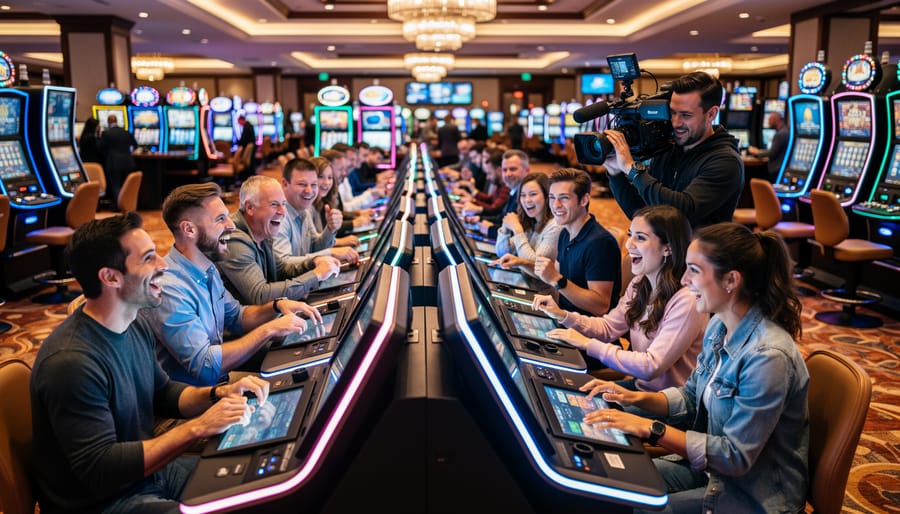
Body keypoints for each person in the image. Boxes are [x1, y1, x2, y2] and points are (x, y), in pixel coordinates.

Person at [30, 212, 271, 513]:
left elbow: (163, 392)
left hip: (144, 477)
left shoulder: (134, 321)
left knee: (249, 483)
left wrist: (218, 393)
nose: (163, 265)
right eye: (148, 259)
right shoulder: (71, 362)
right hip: (101, 502)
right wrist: (199, 427)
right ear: (111, 277)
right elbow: (99, 468)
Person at [581, 223, 808, 514]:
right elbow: (690, 397)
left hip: (753, 495)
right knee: (612, 480)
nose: (684, 279)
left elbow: (735, 456)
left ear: (731, 280)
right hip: (711, 473)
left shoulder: (768, 356)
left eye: (694, 270)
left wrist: (651, 428)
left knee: (639, 509)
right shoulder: (718, 325)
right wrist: (629, 398)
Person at [142, 182, 323, 387]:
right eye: (220, 219)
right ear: (189, 229)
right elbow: (206, 367)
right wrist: (269, 330)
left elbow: (238, 316)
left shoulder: (208, 268)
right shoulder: (169, 289)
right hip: (192, 402)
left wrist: (277, 306)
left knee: (307, 366)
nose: (232, 225)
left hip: (219, 385)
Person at [532, 205, 705, 393]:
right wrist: (563, 315)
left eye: (640, 238)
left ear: (668, 248)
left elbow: (651, 366)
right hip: (640, 387)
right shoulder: (640, 283)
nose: (629, 244)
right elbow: (609, 327)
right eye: (630, 235)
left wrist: (588, 344)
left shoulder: (687, 300)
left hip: (666, 402)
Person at [603, 71, 744, 228]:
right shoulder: (668, 147)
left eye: (685, 115)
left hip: (700, 252)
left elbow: (682, 212)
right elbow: (642, 213)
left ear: (711, 114)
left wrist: (632, 169)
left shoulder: (725, 160)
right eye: (672, 113)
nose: (676, 123)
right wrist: (615, 174)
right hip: (664, 250)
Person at [217, 175, 341, 305]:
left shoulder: (263, 230)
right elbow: (260, 295)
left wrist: (313, 262)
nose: (283, 212)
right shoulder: (233, 239)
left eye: (283, 204)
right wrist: (316, 275)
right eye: (274, 204)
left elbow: (281, 270)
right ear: (249, 208)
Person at [533, 168, 620, 317]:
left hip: (588, 334)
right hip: (565, 318)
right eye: (552, 197)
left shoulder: (599, 243)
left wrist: (556, 279)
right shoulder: (565, 233)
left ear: (584, 200)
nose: (556, 205)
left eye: (564, 198)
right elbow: (558, 277)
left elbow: (600, 306)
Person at [273, 157, 358, 266]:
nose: (309, 191)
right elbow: (283, 264)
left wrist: (330, 229)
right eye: (302, 184)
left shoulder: (304, 211)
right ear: (285, 184)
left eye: (313, 185)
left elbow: (314, 247)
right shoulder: (278, 216)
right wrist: (330, 253)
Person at [492, 172, 562, 272]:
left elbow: (536, 265)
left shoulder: (555, 226)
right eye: (523, 195)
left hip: (540, 286)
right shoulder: (530, 221)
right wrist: (505, 228)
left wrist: (517, 230)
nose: (527, 200)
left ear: (547, 196)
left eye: (533, 194)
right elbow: (502, 253)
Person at [98, 113, 137, 201]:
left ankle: (120, 207)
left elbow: (100, 148)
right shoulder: (126, 132)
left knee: (116, 186)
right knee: (127, 186)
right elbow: (135, 145)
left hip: (113, 163)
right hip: (128, 162)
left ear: (108, 122)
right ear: (116, 121)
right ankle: (127, 205)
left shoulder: (106, 133)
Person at [749, 111, 789, 182]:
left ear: (776, 120)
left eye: (770, 120)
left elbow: (772, 153)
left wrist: (757, 152)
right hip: (780, 168)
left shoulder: (781, 134)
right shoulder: (785, 131)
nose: (768, 123)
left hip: (777, 169)